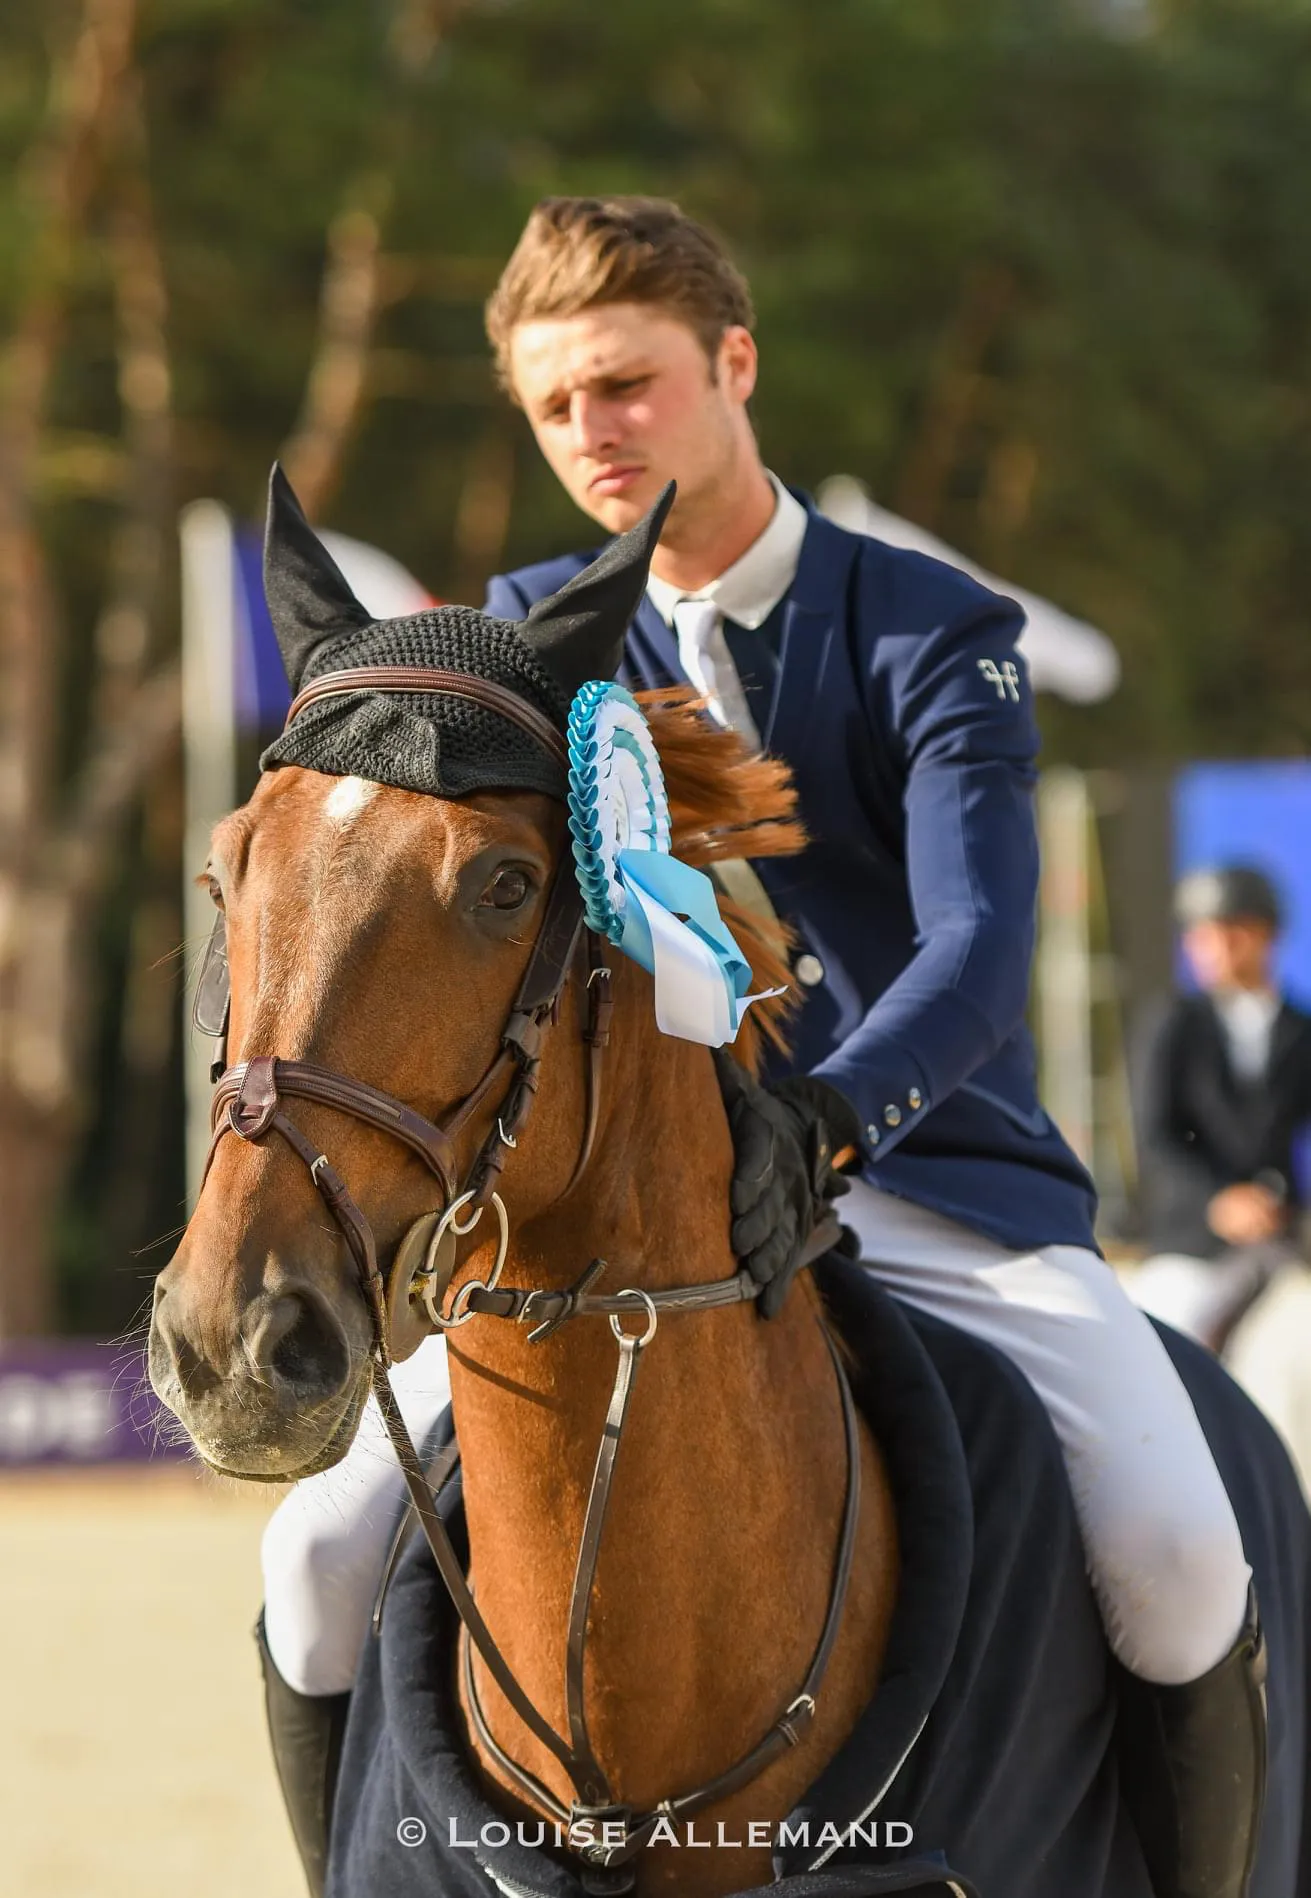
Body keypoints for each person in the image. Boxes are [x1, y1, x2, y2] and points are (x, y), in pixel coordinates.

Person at [257, 197, 1264, 1898]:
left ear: (733, 365)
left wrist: (831, 1115)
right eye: (557, 403)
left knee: (1175, 1556)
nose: (594, 429)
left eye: (628, 383)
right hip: (614, 1209)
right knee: (317, 1550)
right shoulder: (527, 636)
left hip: (921, 1174)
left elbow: (975, 950)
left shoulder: (931, 629)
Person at [1132, 864, 1311, 1350]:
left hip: (1281, 1236)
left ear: (1266, 936)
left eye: (1232, 933)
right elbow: (1156, 1136)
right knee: (1165, 1340)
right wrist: (1219, 1200)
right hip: (1194, 1240)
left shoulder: (1301, 1031)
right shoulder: (1173, 1024)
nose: (1216, 949)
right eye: (1202, 936)